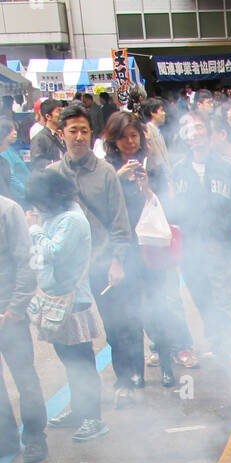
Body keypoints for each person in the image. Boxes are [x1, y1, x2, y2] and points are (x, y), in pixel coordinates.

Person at [54, 102, 141, 399]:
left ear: (91, 134)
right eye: (72, 130)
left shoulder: (105, 173)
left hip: (103, 263)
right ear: (60, 134)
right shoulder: (53, 175)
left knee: (117, 328)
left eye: (84, 130)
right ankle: (85, 401)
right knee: (73, 337)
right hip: (68, 272)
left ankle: (125, 383)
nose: (78, 137)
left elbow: (120, 222)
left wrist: (118, 262)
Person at [24, 166, 107, 443]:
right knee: (71, 363)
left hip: (73, 303)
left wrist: (34, 230)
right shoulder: (54, 216)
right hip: (56, 300)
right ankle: (80, 412)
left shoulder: (70, 219)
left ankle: (93, 418)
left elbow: (54, 252)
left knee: (82, 363)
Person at [167, 115, 231, 364]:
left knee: (226, 296)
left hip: (221, 242)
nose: (195, 138)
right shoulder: (179, 171)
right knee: (201, 295)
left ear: (209, 137)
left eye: (200, 132)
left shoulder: (226, 167)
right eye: (190, 134)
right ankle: (217, 342)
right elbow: (173, 209)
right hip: (191, 245)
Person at [102, 110, 180, 389]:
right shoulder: (107, 170)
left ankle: (167, 366)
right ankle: (136, 372)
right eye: (122, 137)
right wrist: (117, 180)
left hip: (152, 248)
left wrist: (146, 188)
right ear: (113, 140)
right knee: (131, 313)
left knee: (158, 309)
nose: (129, 142)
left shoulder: (153, 166)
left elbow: (165, 205)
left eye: (133, 135)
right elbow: (105, 208)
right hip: (126, 249)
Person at [0, 192, 47, 463]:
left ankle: (34, 437)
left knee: (24, 379)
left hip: (9, 314)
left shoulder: (8, 210)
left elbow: (26, 262)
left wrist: (15, 309)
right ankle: (5, 440)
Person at [30, 99, 63, 169]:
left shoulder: (64, 134)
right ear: (48, 116)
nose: (62, 114)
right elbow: (37, 163)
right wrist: (57, 164)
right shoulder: (39, 138)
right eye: (58, 111)